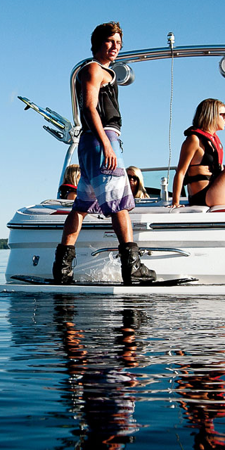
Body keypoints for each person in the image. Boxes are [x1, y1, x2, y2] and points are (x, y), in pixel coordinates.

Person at [52, 22, 156, 285]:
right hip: (101, 140)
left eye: (119, 43)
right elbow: (89, 108)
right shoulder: (93, 69)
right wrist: (107, 144)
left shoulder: (103, 71)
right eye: (110, 41)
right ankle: (132, 269)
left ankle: (62, 270)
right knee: (120, 204)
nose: (115, 47)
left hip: (94, 143)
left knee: (81, 206)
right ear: (97, 43)